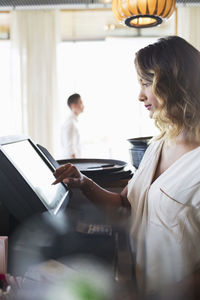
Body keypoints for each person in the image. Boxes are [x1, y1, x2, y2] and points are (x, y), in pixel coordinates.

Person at [53, 36, 200, 298]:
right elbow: (125, 205)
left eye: (146, 83)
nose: (140, 94)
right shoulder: (159, 144)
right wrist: (83, 183)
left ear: (174, 85)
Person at [60, 93, 84, 159]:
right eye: (81, 103)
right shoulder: (70, 123)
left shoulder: (74, 121)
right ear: (73, 105)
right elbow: (69, 148)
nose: (83, 106)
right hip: (72, 162)